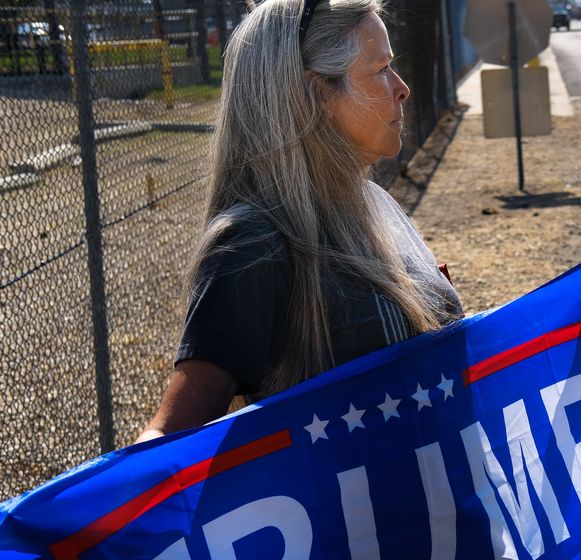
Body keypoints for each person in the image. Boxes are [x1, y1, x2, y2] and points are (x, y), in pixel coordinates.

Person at [139, 0, 461, 442]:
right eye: (381, 69)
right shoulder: (253, 241)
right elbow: (169, 440)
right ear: (317, 94)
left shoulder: (376, 203)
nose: (402, 88)